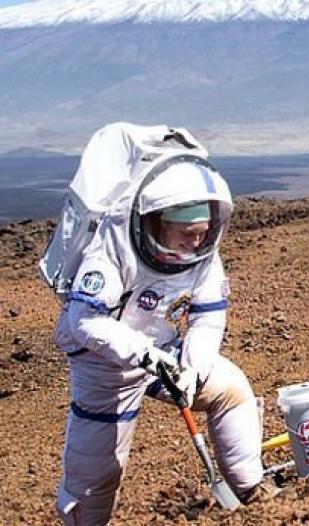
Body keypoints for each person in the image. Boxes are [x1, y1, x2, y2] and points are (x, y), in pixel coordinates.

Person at [53, 157, 270, 525]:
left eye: (203, 231)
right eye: (186, 232)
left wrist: (194, 367)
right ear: (157, 222)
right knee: (98, 471)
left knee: (231, 391)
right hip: (106, 364)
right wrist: (146, 355)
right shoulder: (113, 249)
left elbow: (207, 314)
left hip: (163, 349)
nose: (197, 240)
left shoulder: (202, 257)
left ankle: (253, 493)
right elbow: (85, 321)